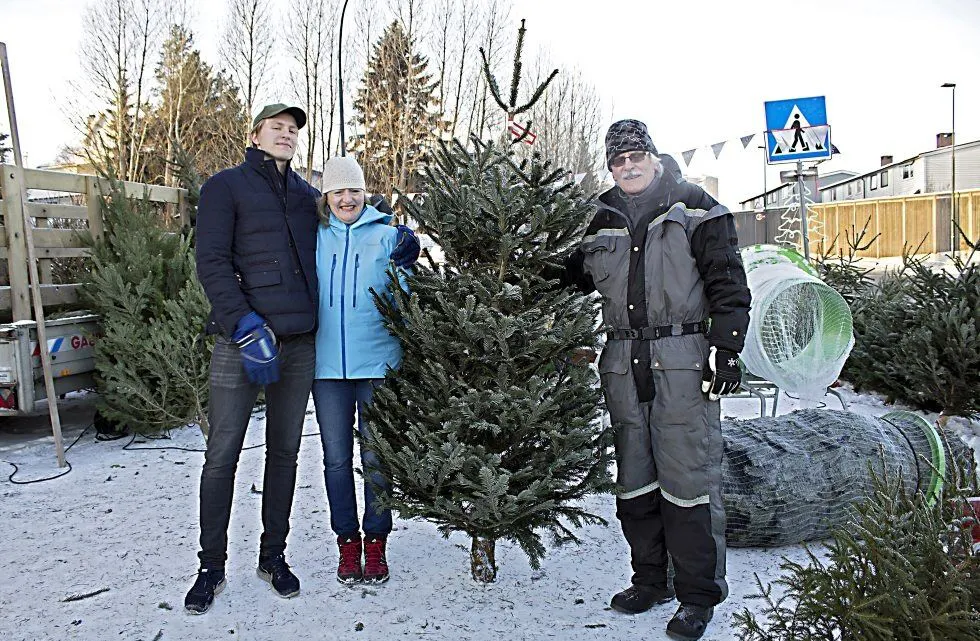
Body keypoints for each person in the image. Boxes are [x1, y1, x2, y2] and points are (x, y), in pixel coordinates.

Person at [186, 102, 419, 614]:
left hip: (296, 348)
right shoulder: (224, 188)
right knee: (222, 453)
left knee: (285, 454)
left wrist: (400, 232)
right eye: (277, 128)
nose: (287, 135)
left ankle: (273, 556)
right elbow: (211, 261)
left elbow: (352, 213)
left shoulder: (304, 196)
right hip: (239, 341)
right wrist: (242, 324)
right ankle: (211, 565)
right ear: (255, 134)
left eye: (293, 130)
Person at [564, 119, 751, 640]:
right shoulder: (599, 219)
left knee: (688, 482)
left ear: (653, 156)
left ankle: (696, 596)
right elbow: (568, 276)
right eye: (617, 160)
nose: (627, 167)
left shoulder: (698, 209)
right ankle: (650, 580)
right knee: (636, 479)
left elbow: (729, 285)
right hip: (623, 361)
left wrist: (727, 350)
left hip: (683, 359)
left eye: (635, 156)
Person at [312, 156, 405, 585]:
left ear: (365, 193)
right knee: (335, 459)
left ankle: (377, 541)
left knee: (375, 456)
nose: (347, 199)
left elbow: (405, 296)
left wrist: (410, 257)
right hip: (326, 367)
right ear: (326, 196)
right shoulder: (313, 237)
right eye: (338, 192)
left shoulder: (386, 236)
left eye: (354, 191)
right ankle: (347, 541)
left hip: (378, 365)